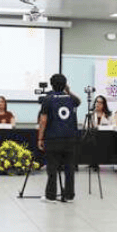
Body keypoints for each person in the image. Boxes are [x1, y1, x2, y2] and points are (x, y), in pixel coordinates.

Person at [37, 73, 81, 203]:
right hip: (70, 138)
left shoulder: (48, 99)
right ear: (65, 85)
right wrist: (68, 91)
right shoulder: (72, 99)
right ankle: (69, 195)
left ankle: (51, 196)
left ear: (51, 85)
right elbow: (79, 101)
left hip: (53, 138)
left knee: (52, 168)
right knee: (69, 168)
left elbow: (43, 120)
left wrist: (40, 138)